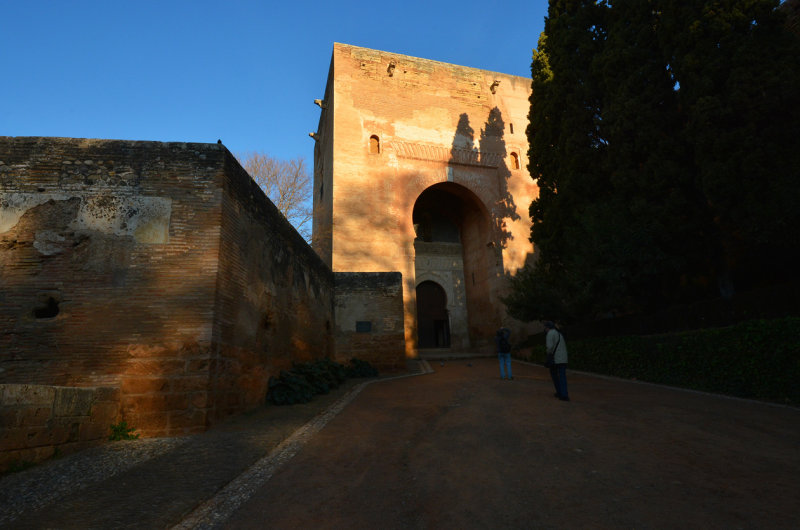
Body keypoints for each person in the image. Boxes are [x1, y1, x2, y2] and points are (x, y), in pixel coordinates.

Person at [544, 321, 569, 401]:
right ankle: (564, 394)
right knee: (562, 376)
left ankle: (559, 392)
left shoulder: (550, 334)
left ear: (547, 327)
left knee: (554, 375)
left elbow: (550, 347)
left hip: (555, 359)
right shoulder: (559, 333)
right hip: (563, 358)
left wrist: (547, 353)